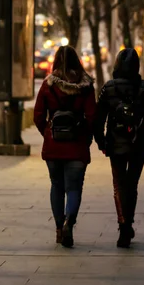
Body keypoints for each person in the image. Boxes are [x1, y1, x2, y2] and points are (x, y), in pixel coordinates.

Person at [94, 48, 144, 248]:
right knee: (132, 184)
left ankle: (123, 227)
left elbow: (98, 118)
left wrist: (101, 141)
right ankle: (128, 222)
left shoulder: (108, 88)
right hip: (139, 142)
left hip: (115, 141)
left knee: (119, 185)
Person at [34, 45, 96, 248]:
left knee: (57, 186)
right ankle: (70, 222)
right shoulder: (85, 86)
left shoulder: (48, 85)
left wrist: (48, 132)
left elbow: (38, 115)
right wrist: (86, 137)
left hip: (54, 145)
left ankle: (59, 229)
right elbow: (92, 116)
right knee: (74, 188)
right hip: (76, 145)